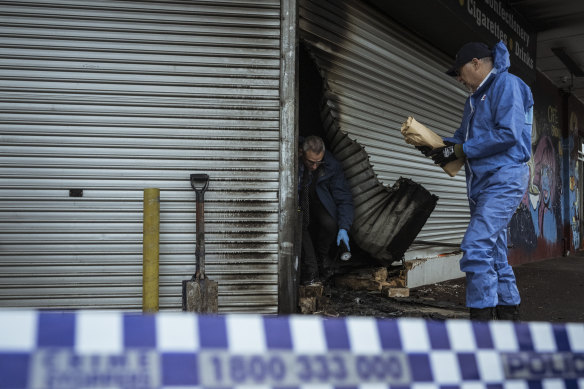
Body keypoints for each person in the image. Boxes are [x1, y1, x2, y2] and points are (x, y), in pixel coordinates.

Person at [418, 41, 533, 320]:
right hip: (482, 182)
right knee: (493, 250)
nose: (459, 79)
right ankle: (508, 317)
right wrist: (438, 146)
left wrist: (461, 150)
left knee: (476, 245)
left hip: (504, 177)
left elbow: (509, 134)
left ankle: (480, 323)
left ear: (476, 63)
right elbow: (462, 138)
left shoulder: (506, 85)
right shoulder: (473, 100)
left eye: (459, 72)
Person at [298, 135, 354, 285]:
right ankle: (310, 266)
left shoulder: (331, 164)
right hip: (297, 200)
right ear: (301, 152)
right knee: (300, 224)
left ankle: (321, 258)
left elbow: (344, 198)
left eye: (318, 162)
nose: (315, 166)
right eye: (311, 162)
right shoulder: (292, 156)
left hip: (317, 198)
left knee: (330, 224)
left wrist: (344, 228)